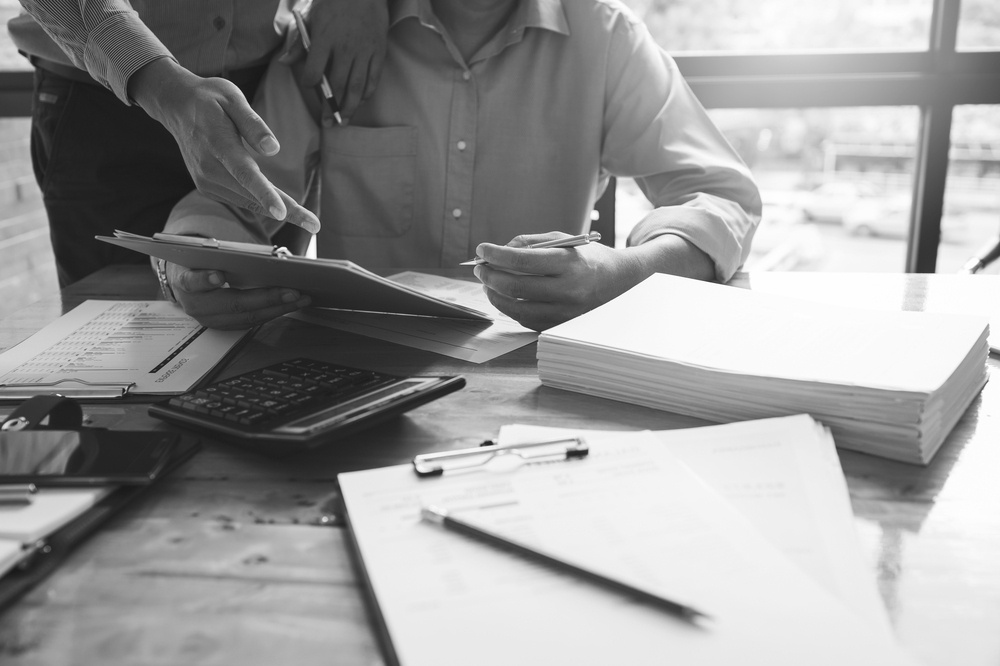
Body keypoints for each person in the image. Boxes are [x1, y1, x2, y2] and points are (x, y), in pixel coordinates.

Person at [161, 0, 762, 332]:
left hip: (539, 375)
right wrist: (190, 266)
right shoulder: (335, 34)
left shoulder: (607, 39)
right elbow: (233, 198)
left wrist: (626, 272)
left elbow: (721, 198)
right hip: (362, 371)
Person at [11, 0, 388, 286]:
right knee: (124, 352)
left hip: (266, 97)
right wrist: (157, 82)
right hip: (104, 101)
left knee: (265, 344)